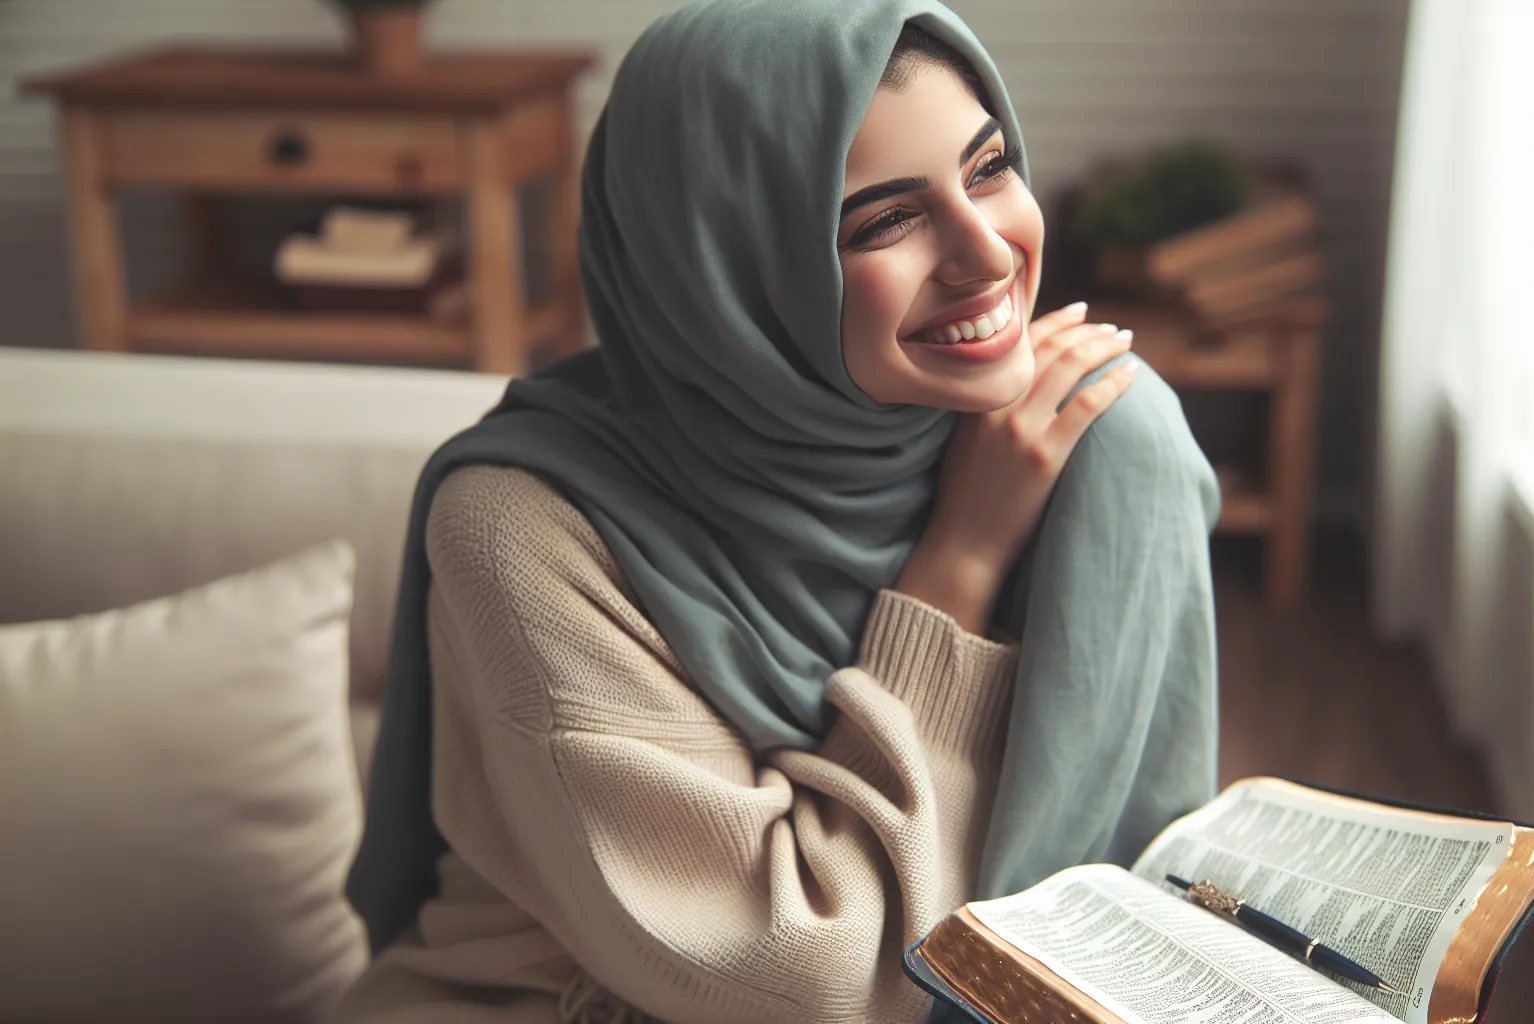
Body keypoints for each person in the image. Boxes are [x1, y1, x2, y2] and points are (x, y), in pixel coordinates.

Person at [330, 1, 1222, 1022]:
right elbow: (799, 978)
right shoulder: (524, 525)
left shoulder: (1098, 440)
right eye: (885, 220)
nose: (988, 252)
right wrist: (962, 561)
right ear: (724, 265)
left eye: (987, 168)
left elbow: (1130, 884)